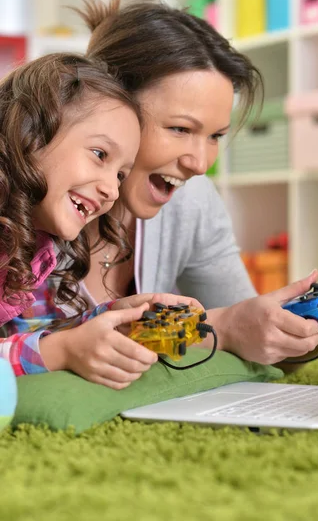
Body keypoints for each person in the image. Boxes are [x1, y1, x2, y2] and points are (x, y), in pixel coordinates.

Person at [76, 0, 318, 373]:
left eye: (215, 136)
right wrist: (219, 328)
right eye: (180, 129)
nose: (200, 164)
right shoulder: (29, 198)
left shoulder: (190, 200)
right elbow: (36, 354)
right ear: (108, 106)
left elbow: (254, 343)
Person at [0, 52, 199, 389]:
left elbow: (29, 335)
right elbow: (48, 349)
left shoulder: (40, 245)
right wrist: (61, 352)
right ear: (29, 132)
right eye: (99, 155)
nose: (111, 190)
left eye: (121, 174)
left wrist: (113, 317)